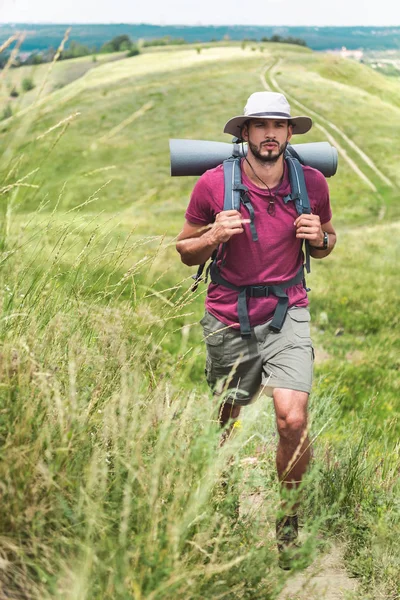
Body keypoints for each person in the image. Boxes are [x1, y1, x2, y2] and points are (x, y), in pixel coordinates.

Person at [176, 91, 336, 566]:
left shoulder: (309, 182)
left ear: (290, 133)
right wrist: (212, 236)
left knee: (292, 418)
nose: (270, 133)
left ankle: (288, 522)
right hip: (228, 313)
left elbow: (328, 240)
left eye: (279, 125)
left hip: (289, 308)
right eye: (260, 125)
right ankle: (223, 507)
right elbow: (185, 250)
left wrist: (321, 239)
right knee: (227, 419)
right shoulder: (212, 184)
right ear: (244, 133)